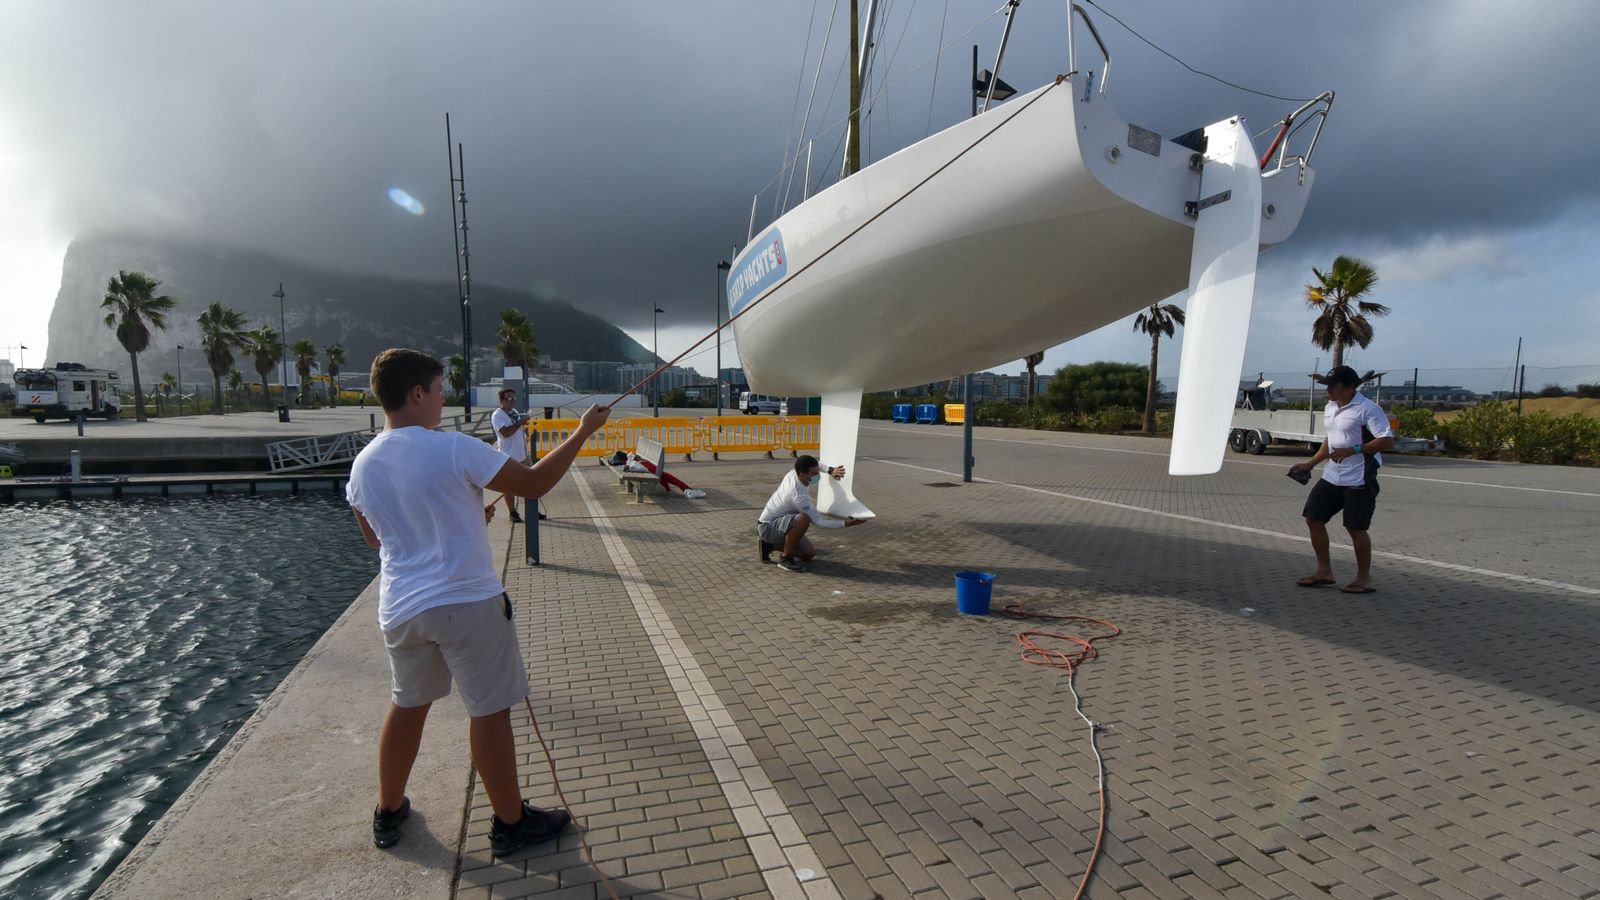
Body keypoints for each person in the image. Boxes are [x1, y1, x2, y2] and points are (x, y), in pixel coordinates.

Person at [346, 348, 610, 856]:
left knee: (407, 706)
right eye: (440, 390)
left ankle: (389, 809)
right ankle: (511, 823)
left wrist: (464, 518)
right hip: (466, 603)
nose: (444, 399)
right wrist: (582, 433)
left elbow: (378, 541)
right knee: (489, 711)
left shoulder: (362, 465)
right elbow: (533, 485)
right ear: (417, 393)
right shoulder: (452, 449)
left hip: (401, 608)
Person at [1292, 365, 1395, 594]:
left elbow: (1387, 441)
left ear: (1348, 386)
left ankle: (1363, 579)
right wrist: (1311, 463)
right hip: (1332, 475)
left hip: (1359, 477)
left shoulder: (1367, 409)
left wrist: (1354, 450)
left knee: (1355, 527)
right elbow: (1330, 440)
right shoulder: (1331, 407)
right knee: (1313, 517)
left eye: (1332, 386)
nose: (1328, 390)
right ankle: (1324, 572)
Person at [757, 454, 865, 572]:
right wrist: (848, 523)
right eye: (814, 474)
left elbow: (817, 465)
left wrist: (830, 470)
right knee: (804, 519)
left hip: (782, 523)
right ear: (803, 474)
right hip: (767, 527)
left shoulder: (794, 472)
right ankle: (786, 559)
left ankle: (768, 546)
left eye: (818, 472)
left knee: (809, 554)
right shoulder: (799, 496)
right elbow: (820, 522)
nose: (818, 476)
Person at [491, 388, 529, 522]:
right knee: (509, 486)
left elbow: (518, 430)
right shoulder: (497, 415)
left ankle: (531, 510)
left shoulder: (515, 412)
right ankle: (512, 512)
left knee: (529, 482)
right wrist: (520, 422)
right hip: (508, 455)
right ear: (502, 400)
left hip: (523, 454)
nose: (512, 401)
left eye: (514, 399)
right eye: (509, 399)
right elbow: (505, 433)